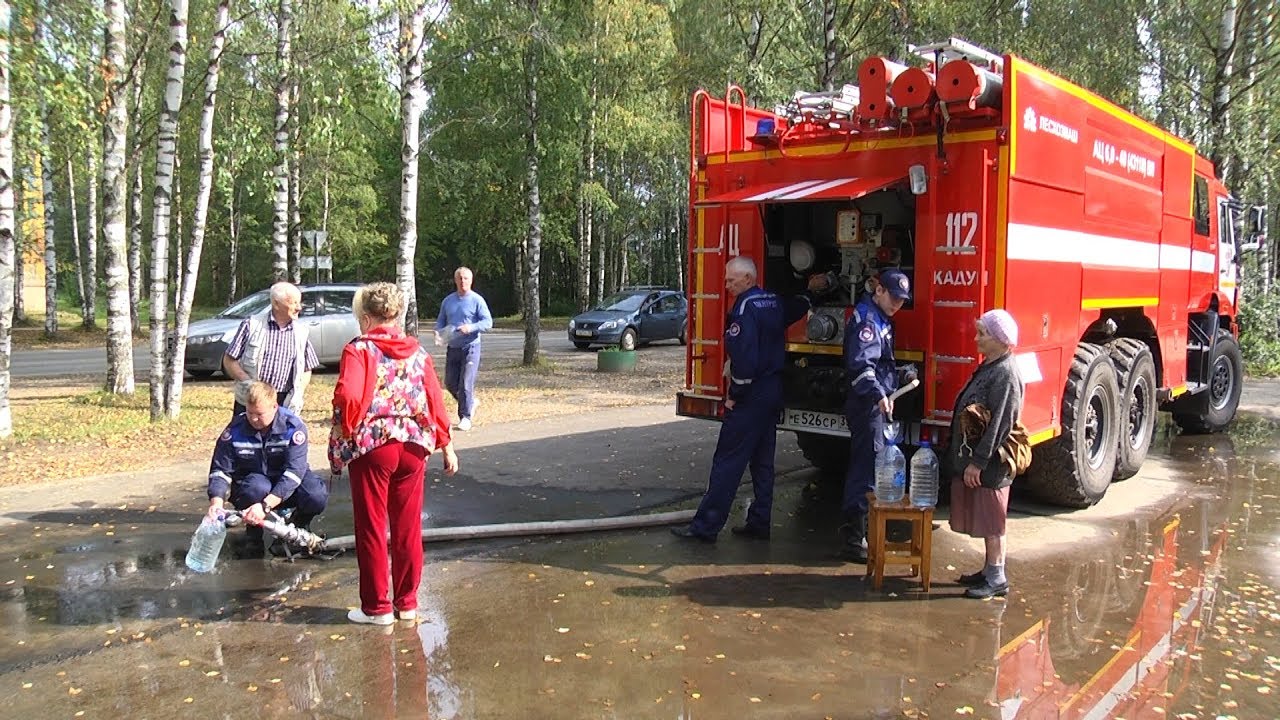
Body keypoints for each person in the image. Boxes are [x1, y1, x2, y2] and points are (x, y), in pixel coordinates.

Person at [331, 282, 459, 626]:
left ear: (368, 316)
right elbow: (435, 399)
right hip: (415, 448)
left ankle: (377, 608)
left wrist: (345, 429)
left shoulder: (359, 350)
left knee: (372, 528)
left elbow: (348, 396)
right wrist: (446, 444)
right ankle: (407, 604)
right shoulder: (418, 352)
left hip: (374, 448)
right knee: (407, 528)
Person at [671, 257, 816, 543]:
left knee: (728, 461)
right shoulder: (772, 301)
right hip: (772, 391)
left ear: (748, 279)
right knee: (763, 462)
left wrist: (735, 395)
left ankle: (705, 528)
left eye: (731, 280)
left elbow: (744, 359)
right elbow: (796, 307)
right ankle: (760, 521)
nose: (726, 285)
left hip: (750, 395)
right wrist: (810, 291)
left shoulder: (744, 308)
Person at [948, 309, 1024, 599]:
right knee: (985, 516)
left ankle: (996, 577)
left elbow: (1001, 423)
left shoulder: (1005, 373)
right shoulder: (991, 365)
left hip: (991, 465)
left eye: (983, 334)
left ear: (1001, 340)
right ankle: (989, 569)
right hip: (983, 460)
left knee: (992, 520)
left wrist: (977, 463)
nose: (977, 338)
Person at [205, 381, 329, 557]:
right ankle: (253, 535)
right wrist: (216, 503)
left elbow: (295, 472)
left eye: (260, 414)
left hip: (285, 484)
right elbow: (220, 470)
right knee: (256, 486)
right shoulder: (235, 430)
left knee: (315, 494)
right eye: (250, 413)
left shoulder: (293, 428)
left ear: (274, 407)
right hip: (254, 484)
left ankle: (299, 524)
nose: (254, 419)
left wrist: (265, 506)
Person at [839, 268, 911, 562]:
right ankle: (854, 538)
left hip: (871, 403)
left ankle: (861, 533)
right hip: (866, 406)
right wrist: (878, 393)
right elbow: (861, 366)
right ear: (879, 290)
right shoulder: (868, 320)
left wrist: (901, 375)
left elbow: (878, 363)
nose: (897, 304)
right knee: (866, 469)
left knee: (870, 466)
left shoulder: (880, 317)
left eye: (902, 300)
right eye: (893, 297)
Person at [223, 281, 320, 415]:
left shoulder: (301, 332)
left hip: (284, 402)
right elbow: (229, 360)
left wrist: (298, 391)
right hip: (252, 400)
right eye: (294, 303)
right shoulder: (251, 325)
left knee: (280, 437)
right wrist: (248, 383)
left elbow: (307, 368)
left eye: (299, 303)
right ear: (276, 303)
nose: (299, 308)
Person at [435, 267, 493, 431]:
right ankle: (471, 402)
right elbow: (441, 321)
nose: (463, 282)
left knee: (466, 383)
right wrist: (438, 333)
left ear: (471, 280)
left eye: (466, 278)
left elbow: (488, 323)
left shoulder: (477, 300)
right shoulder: (448, 301)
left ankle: (465, 417)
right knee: (450, 383)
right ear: (455, 280)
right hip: (453, 347)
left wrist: (471, 327)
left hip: (471, 347)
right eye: (460, 278)